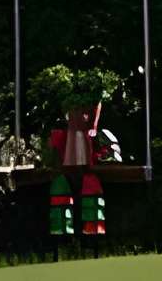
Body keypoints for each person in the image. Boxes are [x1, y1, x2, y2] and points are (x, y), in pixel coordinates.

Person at [46, 100, 120, 240]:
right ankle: (64, 236)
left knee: (90, 197)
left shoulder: (98, 134)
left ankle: (91, 234)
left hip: (87, 177)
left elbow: (112, 156)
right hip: (67, 177)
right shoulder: (60, 135)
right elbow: (52, 156)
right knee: (61, 194)